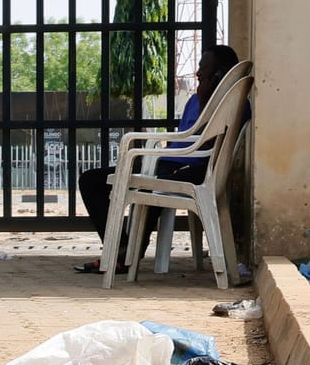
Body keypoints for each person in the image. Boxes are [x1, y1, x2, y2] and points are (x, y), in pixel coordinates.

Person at [74, 44, 246, 273]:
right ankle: (121, 247)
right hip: (169, 160)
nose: (198, 74)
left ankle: (127, 257)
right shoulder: (194, 101)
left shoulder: (236, 105)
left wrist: (208, 96)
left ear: (220, 74)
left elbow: (207, 145)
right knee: (91, 180)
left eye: (204, 69)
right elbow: (180, 139)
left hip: (195, 169)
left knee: (151, 186)